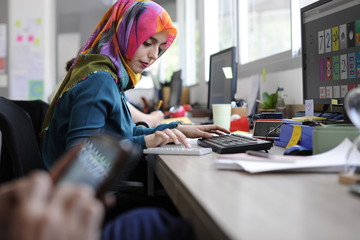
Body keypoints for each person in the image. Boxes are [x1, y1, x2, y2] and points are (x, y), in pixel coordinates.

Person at [41, 0, 229, 169]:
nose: (155, 55)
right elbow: (81, 159)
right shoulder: (99, 81)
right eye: (148, 43)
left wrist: (176, 129)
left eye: (160, 48)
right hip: (88, 200)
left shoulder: (111, 77)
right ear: (123, 34)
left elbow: (124, 132)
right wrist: (146, 141)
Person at [0, 147, 193, 240]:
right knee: (152, 222)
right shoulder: (100, 79)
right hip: (81, 203)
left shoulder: (113, 81)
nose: (150, 64)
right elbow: (84, 148)